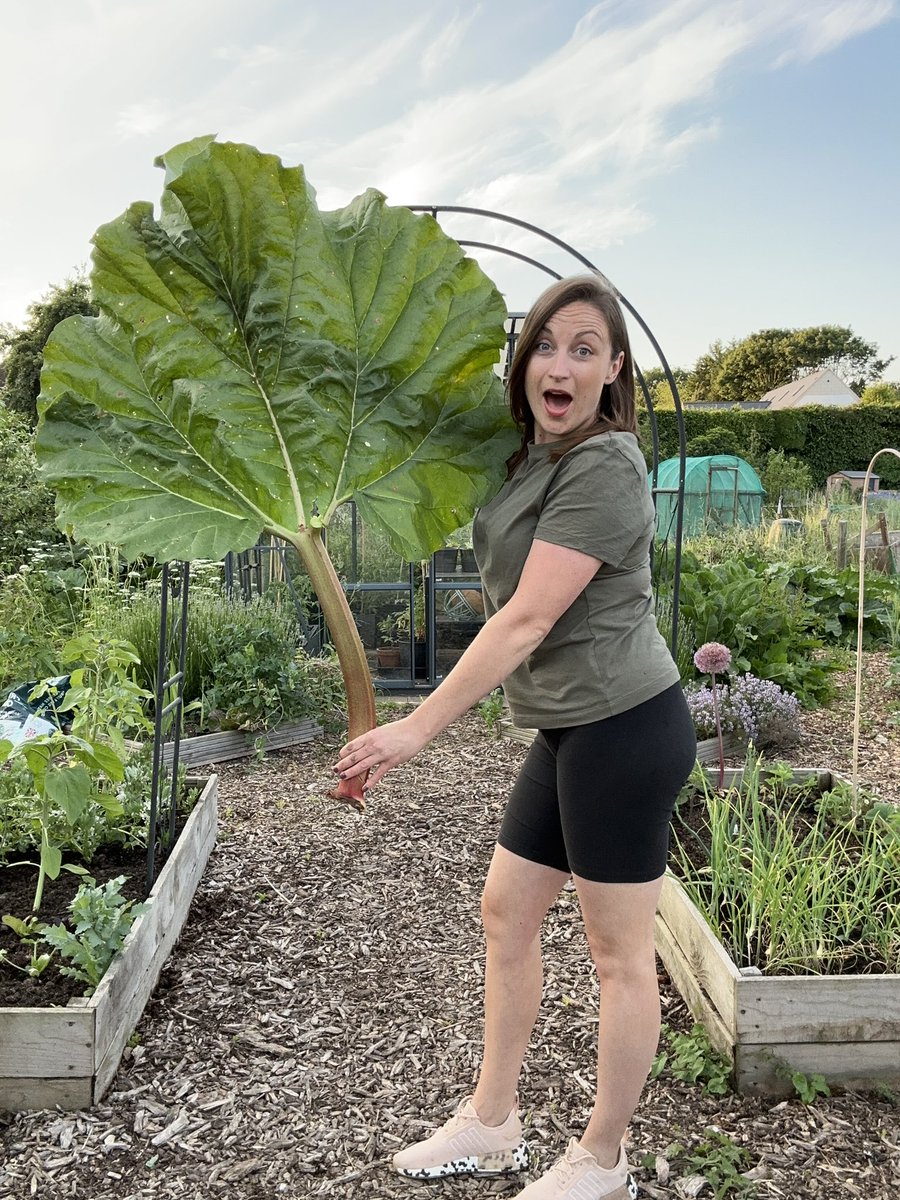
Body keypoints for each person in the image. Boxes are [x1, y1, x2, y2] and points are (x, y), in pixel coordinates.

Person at [334, 274, 697, 1200]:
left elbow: (526, 619)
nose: (561, 365)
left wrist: (415, 728)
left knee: (618, 956)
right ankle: (493, 1124)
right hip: (571, 730)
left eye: (585, 349)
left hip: (625, 729)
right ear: (523, 360)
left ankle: (603, 1158)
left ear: (614, 370)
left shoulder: (605, 465)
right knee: (507, 911)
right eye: (545, 345)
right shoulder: (528, 456)